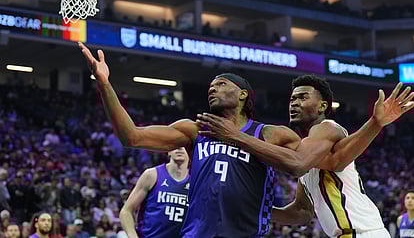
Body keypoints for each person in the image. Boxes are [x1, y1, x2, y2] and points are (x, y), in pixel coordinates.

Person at [79, 42, 312, 237]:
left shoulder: (270, 134)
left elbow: (305, 163)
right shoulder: (195, 130)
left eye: (221, 84)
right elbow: (132, 136)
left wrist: (282, 208)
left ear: (243, 94)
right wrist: (104, 84)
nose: (212, 89)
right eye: (210, 86)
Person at [197, 75, 414, 238]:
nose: (294, 103)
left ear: (322, 106)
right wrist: (259, 209)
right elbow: (301, 212)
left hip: (363, 233)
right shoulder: (308, 149)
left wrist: (236, 136)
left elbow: (297, 164)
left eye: (302, 97)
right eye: (292, 99)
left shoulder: (327, 128)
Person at [120, 147, 190, 238]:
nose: (180, 148)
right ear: (168, 151)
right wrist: (132, 235)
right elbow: (126, 211)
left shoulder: (197, 181)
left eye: (185, 146)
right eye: (176, 145)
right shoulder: (152, 175)